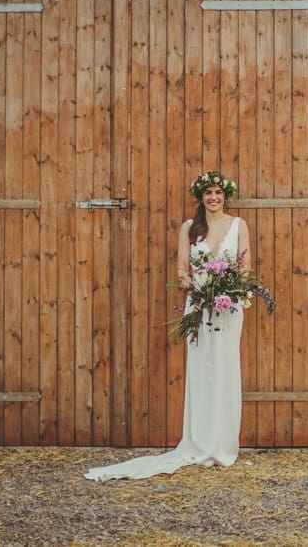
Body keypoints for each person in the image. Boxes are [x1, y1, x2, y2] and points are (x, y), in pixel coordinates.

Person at [85, 171, 249, 480]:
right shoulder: (190, 228)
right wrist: (198, 288)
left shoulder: (239, 226)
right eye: (208, 193)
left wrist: (226, 289)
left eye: (218, 192)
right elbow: (182, 268)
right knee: (202, 370)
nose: (213, 198)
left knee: (225, 369)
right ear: (200, 197)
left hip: (228, 308)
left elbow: (244, 268)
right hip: (199, 306)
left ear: (225, 195)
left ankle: (223, 444)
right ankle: (199, 442)